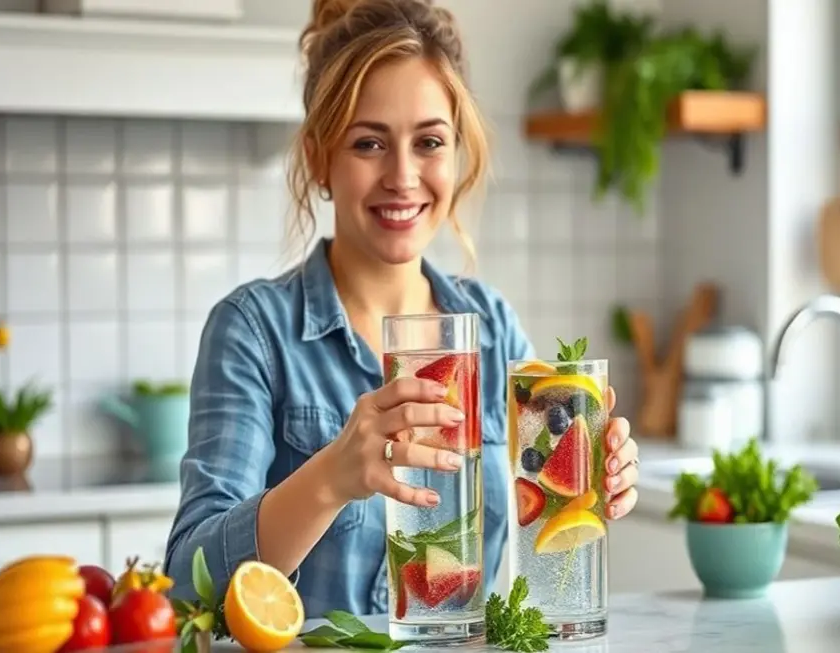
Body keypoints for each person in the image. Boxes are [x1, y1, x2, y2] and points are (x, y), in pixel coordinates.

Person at [163, 0, 641, 619]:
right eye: (369, 143)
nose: (403, 176)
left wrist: (595, 473)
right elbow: (183, 583)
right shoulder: (254, 332)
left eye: (430, 142)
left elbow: (548, 504)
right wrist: (331, 478)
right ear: (318, 158)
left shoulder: (491, 326)